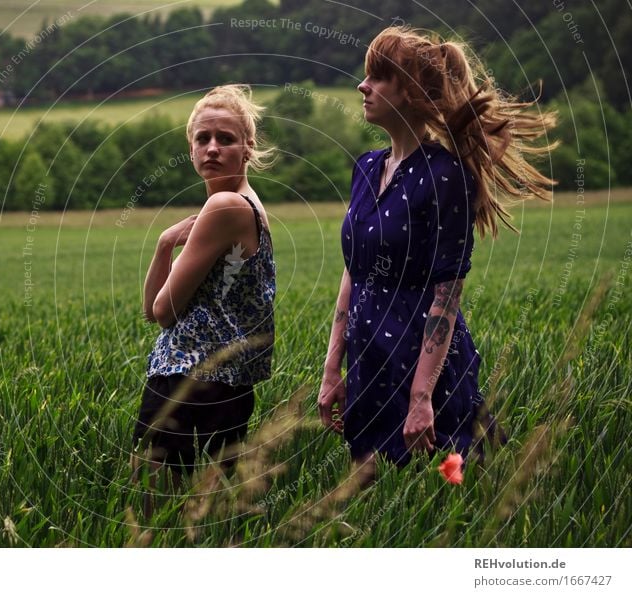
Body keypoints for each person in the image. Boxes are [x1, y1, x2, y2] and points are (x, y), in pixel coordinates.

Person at [317, 26, 556, 470]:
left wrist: (421, 398)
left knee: (446, 493)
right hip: (368, 357)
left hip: (422, 365)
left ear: (409, 92)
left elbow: (448, 293)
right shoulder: (366, 168)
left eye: (378, 77)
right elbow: (354, 271)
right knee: (371, 497)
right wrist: (334, 369)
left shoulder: (446, 176)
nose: (362, 86)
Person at [133, 84, 276, 482]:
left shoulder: (225, 205)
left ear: (247, 147)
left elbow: (163, 313)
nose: (212, 148)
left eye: (226, 139)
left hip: (190, 382)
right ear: (191, 148)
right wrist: (164, 244)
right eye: (203, 138)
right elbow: (150, 310)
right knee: (213, 516)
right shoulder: (241, 201)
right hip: (226, 384)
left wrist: (165, 246)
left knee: (158, 511)